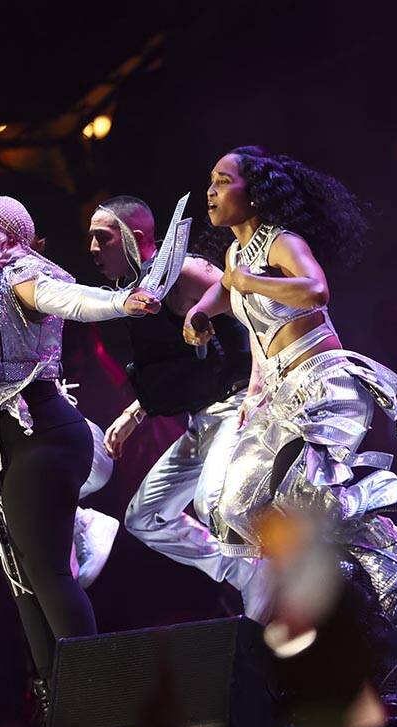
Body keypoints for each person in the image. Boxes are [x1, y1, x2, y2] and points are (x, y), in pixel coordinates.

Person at [0, 196, 159, 700]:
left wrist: (119, 303)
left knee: (47, 572)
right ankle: (57, 700)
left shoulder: (18, 274)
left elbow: (66, 299)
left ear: (0, 237)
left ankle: (92, 699)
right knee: (21, 576)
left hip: (40, 431)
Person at [184, 146, 397, 629]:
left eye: (224, 181)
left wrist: (249, 282)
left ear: (255, 195)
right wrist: (201, 311)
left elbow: (316, 290)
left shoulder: (281, 242)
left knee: (309, 493)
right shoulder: (235, 255)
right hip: (277, 395)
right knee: (235, 506)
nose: (211, 191)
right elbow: (229, 289)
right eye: (211, 181)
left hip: (322, 384)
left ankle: (390, 549)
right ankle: (334, 573)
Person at [88, 196, 263, 616]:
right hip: (201, 421)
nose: (92, 249)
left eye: (102, 238)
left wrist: (260, 389)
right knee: (144, 517)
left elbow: (262, 318)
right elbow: (172, 367)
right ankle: (248, 573)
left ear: (134, 237)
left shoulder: (186, 272)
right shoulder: (137, 292)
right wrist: (135, 413)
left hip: (238, 406)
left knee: (212, 500)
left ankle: (270, 573)